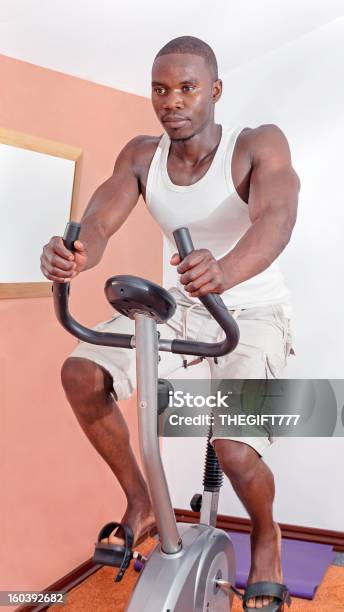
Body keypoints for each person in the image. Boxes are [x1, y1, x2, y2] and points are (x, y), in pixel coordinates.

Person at [40, 36, 299, 610]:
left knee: (233, 452)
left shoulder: (256, 145)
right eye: (160, 89)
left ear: (214, 91)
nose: (172, 101)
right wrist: (78, 251)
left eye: (186, 88)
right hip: (181, 302)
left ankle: (265, 533)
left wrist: (225, 271)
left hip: (251, 306)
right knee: (82, 373)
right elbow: (103, 218)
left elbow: (277, 220)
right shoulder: (141, 155)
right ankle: (142, 502)